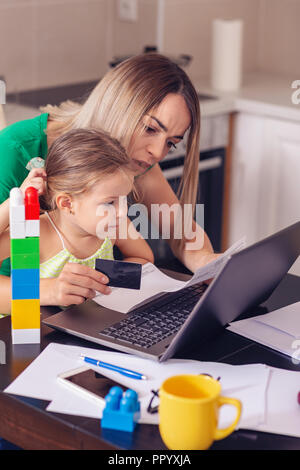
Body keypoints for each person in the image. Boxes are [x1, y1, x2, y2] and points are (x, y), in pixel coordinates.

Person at [0, 53, 219, 311]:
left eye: (171, 143)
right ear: (117, 109)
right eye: (150, 129)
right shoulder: (16, 150)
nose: (158, 153)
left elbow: (181, 231)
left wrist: (209, 263)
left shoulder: (133, 162)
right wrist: (47, 290)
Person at [0, 128, 154, 309]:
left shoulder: (115, 224)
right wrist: (51, 291)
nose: (122, 211)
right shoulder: (37, 231)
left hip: (88, 323)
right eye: (110, 202)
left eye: (124, 199)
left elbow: (143, 258)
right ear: (67, 203)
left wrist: (104, 281)